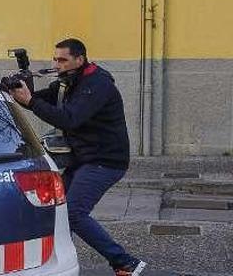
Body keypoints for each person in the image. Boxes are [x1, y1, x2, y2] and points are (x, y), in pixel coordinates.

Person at [9, 38, 146, 276]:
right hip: (83, 159)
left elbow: (69, 119)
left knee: (73, 211)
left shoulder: (96, 85)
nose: (57, 64)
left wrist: (29, 100)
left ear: (79, 59)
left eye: (63, 59)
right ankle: (56, 263)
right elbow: (41, 101)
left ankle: (125, 263)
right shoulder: (68, 82)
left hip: (105, 161)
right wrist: (15, 91)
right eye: (55, 59)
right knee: (57, 209)